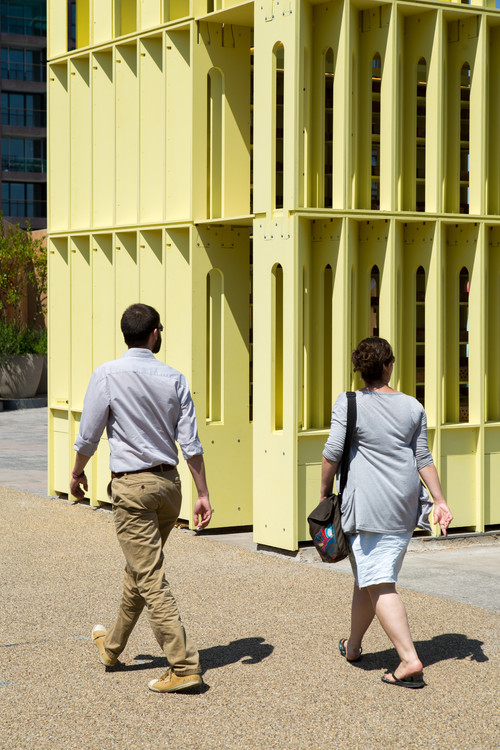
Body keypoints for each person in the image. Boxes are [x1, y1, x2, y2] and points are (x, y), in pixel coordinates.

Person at [70, 303, 212, 693]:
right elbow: (191, 444)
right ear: (153, 334)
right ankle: (112, 648)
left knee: (150, 577)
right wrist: (203, 493)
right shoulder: (175, 379)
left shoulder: (107, 375)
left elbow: (88, 435)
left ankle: (183, 665)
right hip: (170, 489)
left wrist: (77, 471)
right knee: (140, 570)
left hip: (132, 489)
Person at [320, 337, 452, 689]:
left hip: (367, 507)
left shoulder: (349, 403)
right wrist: (439, 500)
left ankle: (409, 660)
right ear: (390, 365)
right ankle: (352, 646)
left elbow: (332, 453)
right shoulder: (412, 406)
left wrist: (322, 493)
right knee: (367, 578)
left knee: (379, 582)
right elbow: (422, 457)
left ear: (361, 371)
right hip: (404, 506)